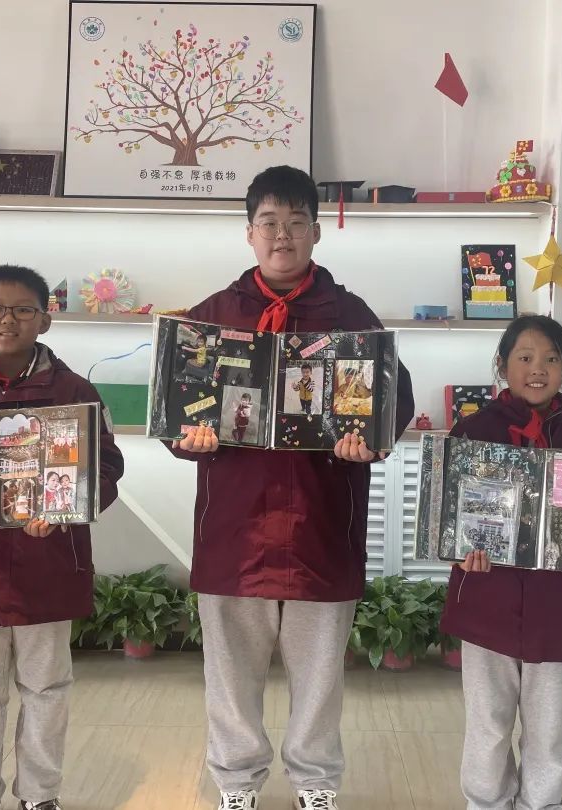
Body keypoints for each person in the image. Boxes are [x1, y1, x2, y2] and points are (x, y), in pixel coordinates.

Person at [167, 166, 414, 810]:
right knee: (230, 671)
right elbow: (177, 408)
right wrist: (188, 438)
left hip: (321, 522)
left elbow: (394, 400)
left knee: (320, 671)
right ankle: (236, 782)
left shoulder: (351, 317)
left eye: (296, 223)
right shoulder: (212, 317)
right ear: (249, 232)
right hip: (234, 525)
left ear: (316, 233)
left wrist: (370, 440)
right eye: (270, 223)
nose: (283, 236)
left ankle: (315, 782)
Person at [0, 264, 125, 810]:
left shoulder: (75, 391)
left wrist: (66, 509)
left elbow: (107, 468)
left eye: (22, 310)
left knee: (47, 690)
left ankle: (40, 796)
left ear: (45, 319)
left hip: (46, 560)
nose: (7, 320)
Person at [439, 315, 562, 810]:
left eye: (551, 359)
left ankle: (543, 804)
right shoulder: (473, 432)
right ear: (502, 365)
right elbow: (446, 514)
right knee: (488, 725)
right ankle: (486, 802)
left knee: (548, 730)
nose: (538, 369)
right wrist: (458, 550)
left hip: (560, 609)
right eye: (525, 358)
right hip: (487, 604)